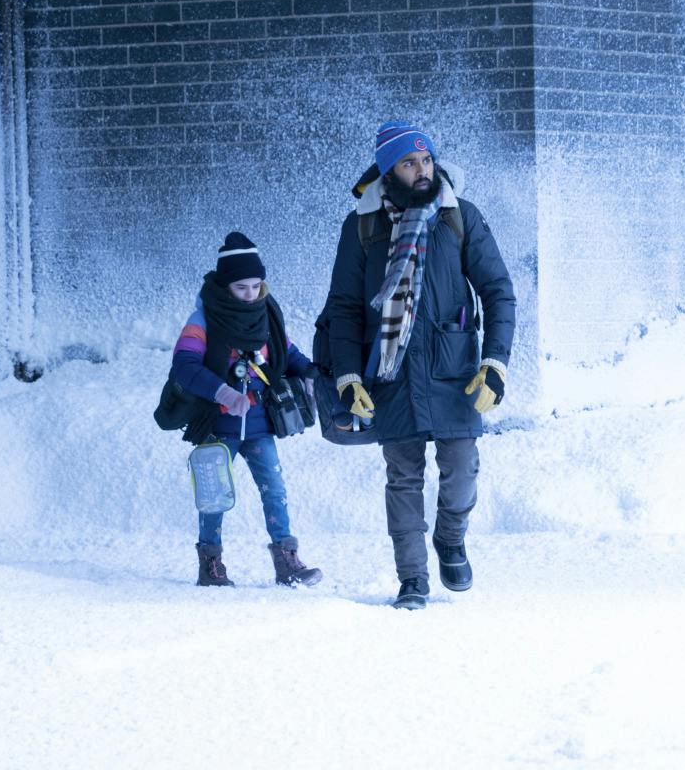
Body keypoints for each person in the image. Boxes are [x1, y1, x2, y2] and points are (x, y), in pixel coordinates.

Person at [324, 122, 516, 610]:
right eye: (409, 163)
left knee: (462, 468)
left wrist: (494, 363)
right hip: (390, 374)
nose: (422, 170)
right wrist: (347, 376)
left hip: (454, 371)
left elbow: (498, 292)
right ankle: (412, 579)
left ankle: (450, 538)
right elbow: (344, 307)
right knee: (403, 478)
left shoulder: (459, 216)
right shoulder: (363, 227)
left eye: (426, 160)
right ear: (389, 172)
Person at [169, 232, 323, 588]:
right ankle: (211, 565)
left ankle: (287, 561)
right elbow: (185, 366)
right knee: (214, 498)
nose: (250, 294)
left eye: (256, 285)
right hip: (216, 426)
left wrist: (313, 376)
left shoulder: (265, 319)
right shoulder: (202, 321)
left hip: (259, 425)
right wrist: (222, 392)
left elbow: (292, 358)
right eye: (241, 287)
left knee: (274, 489)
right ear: (225, 286)